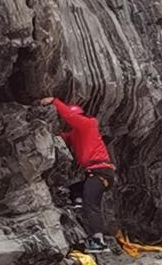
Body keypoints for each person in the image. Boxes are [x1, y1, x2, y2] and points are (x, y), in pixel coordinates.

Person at [40, 96, 115, 252]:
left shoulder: (88, 124)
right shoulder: (77, 133)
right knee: (74, 190)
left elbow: (69, 116)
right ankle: (78, 203)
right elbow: (64, 138)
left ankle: (98, 241)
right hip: (95, 173)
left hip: (100, 171)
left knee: (91, 204)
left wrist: (54, 101)